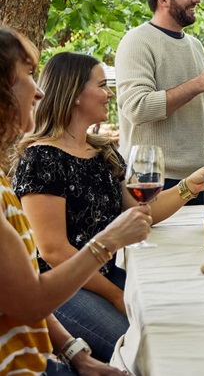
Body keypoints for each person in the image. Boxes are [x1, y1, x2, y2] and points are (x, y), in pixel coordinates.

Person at [12, 52, 204, 363]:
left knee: (174, 323)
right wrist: (117, 295)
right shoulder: (42, 158)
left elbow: (142, 211)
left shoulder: (101, 150)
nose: (110, 94)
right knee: (141, 345)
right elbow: (53, 252)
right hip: (63, 288)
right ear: (75, 93)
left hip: (105, 274)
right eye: (102, 85)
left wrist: (190, 186)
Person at [0, 26, 152, 374]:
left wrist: (74, 353)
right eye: (28, 74)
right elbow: (36, 288)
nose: (39, 91)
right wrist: (108, 243)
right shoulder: (41, 158)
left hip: (39, 358)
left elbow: (22, 291)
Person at [115, 0, 204, 205]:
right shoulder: (137, 41)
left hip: (199, 177)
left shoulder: (195, 46)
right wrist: (199, 84)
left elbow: (198, 111)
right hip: (152, 180)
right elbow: (137, 108)